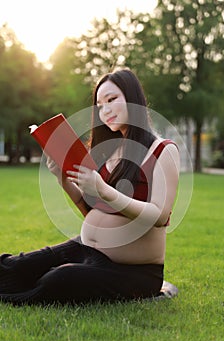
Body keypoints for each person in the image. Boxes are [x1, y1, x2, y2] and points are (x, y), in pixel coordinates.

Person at [0, 68, 180, 305]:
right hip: (87, 249)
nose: (105, 110)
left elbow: (159, 215)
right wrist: (62, 178)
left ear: (133, 99)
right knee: (14, 266)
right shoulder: (112, 150)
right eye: (100, 105)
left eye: (112, 100)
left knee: (57, 280)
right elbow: (91, 211)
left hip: (134, 271)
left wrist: (104, 190)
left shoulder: (163, 150)